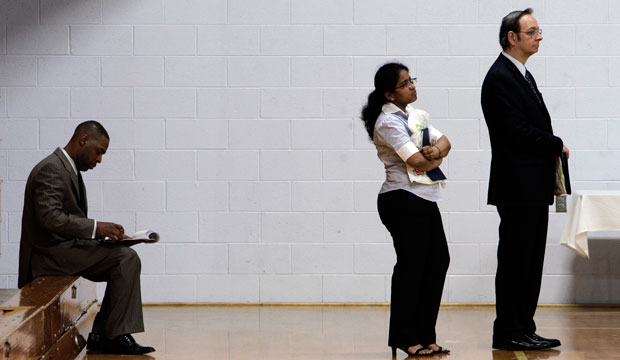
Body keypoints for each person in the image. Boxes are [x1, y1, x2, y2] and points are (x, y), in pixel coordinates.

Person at [18, 120, 155, 355]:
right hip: (48, 255)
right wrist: (95, 228)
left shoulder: (66, 168)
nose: (99, 159)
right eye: (99, 151)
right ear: (83, 140)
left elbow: (64, 222)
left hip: (63, 250)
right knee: (125, 259)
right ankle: (109, 335)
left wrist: (100, 239)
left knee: (124, 256)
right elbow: (48, 218)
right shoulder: (52, 168)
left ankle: (104, 334)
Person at [481, 8, 569, 351]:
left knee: (530, 260)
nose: (539, 36)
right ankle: (508, 331)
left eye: (539, 30)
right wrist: (554, 143)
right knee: (517, 260)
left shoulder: (520, 74)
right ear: (512, 37)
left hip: (531, 185)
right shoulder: (501, 76)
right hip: (516, 186)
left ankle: (523, 326)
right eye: (532, 31)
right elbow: (515, 132)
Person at [361, 63, 451, 357]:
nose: (412, 85)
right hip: (401, 199)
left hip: (424, 198)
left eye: (411, 79)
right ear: (389, 93)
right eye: (404, 83)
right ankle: (405, 337)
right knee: (411, 268)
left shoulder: (415, 116)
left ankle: (427, 336)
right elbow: (417, 163)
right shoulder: (388, 122)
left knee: (437, 262)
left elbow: (445, 142)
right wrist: (434, 159)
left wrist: (435, 152)